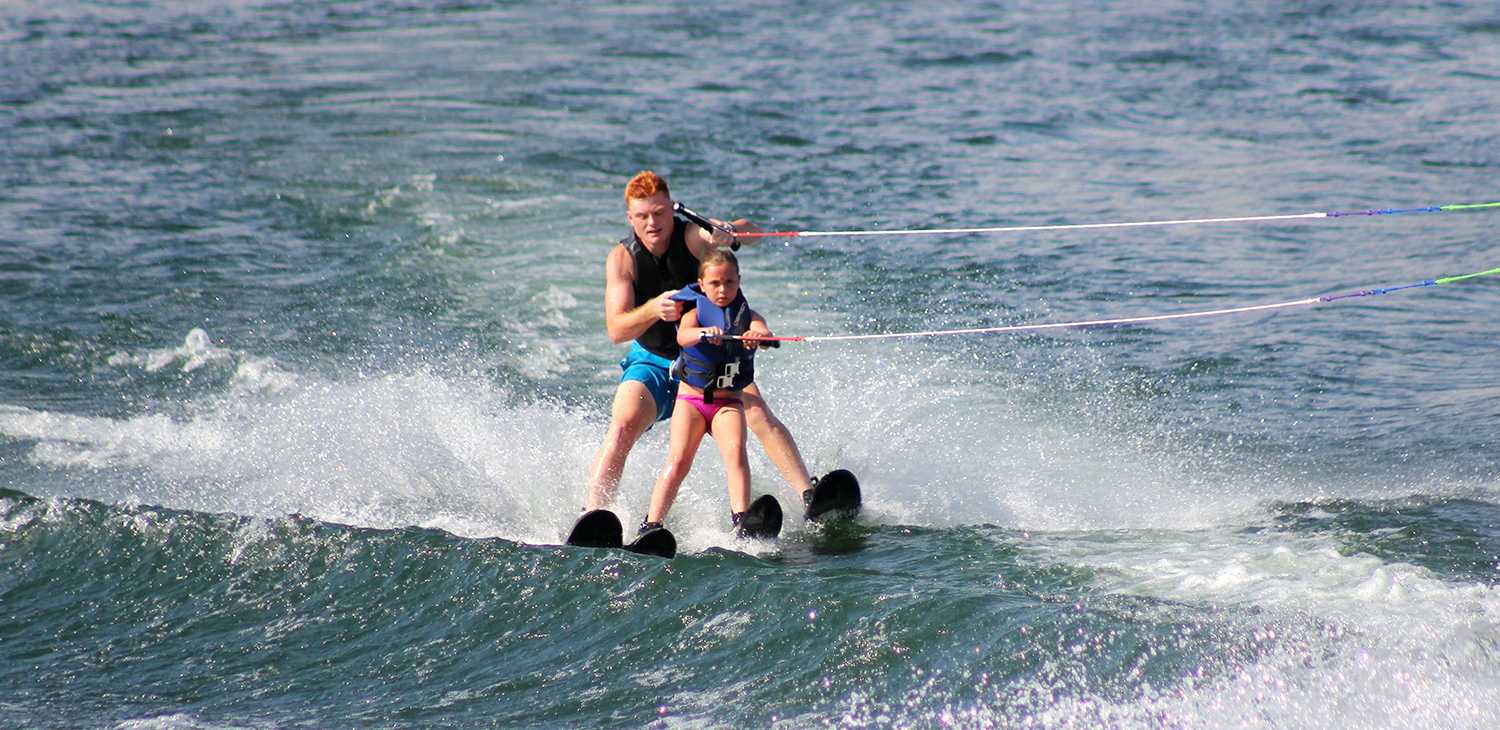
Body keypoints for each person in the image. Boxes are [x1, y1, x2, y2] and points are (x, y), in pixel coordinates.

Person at [584, 171, 814, 516]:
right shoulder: (622, 258)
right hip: (653, 361)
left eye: (660, 213)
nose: (653, 223)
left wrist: (731, 231)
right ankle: (593, 516)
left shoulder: (691, 236)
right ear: (630, 217)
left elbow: (752, 234)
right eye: (643, 216)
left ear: (671, 210)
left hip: (710, 361)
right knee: (621, 425)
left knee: (757, 412)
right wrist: (651, 309)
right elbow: (616, 330)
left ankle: (811, 496)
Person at [638, 249, 767, 532]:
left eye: (730, 283)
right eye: (715, 284)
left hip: (728, 403)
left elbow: (765, 334)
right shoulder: (694, 315)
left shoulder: (750, 317)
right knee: (680, 457)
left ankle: (740, 520)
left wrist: (757, 336)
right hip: (691, 401)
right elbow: (684, 336)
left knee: (735, 450)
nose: (723, 290)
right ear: (702, 284)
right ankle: (651, 523)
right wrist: (705, 333)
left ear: (739, 281)